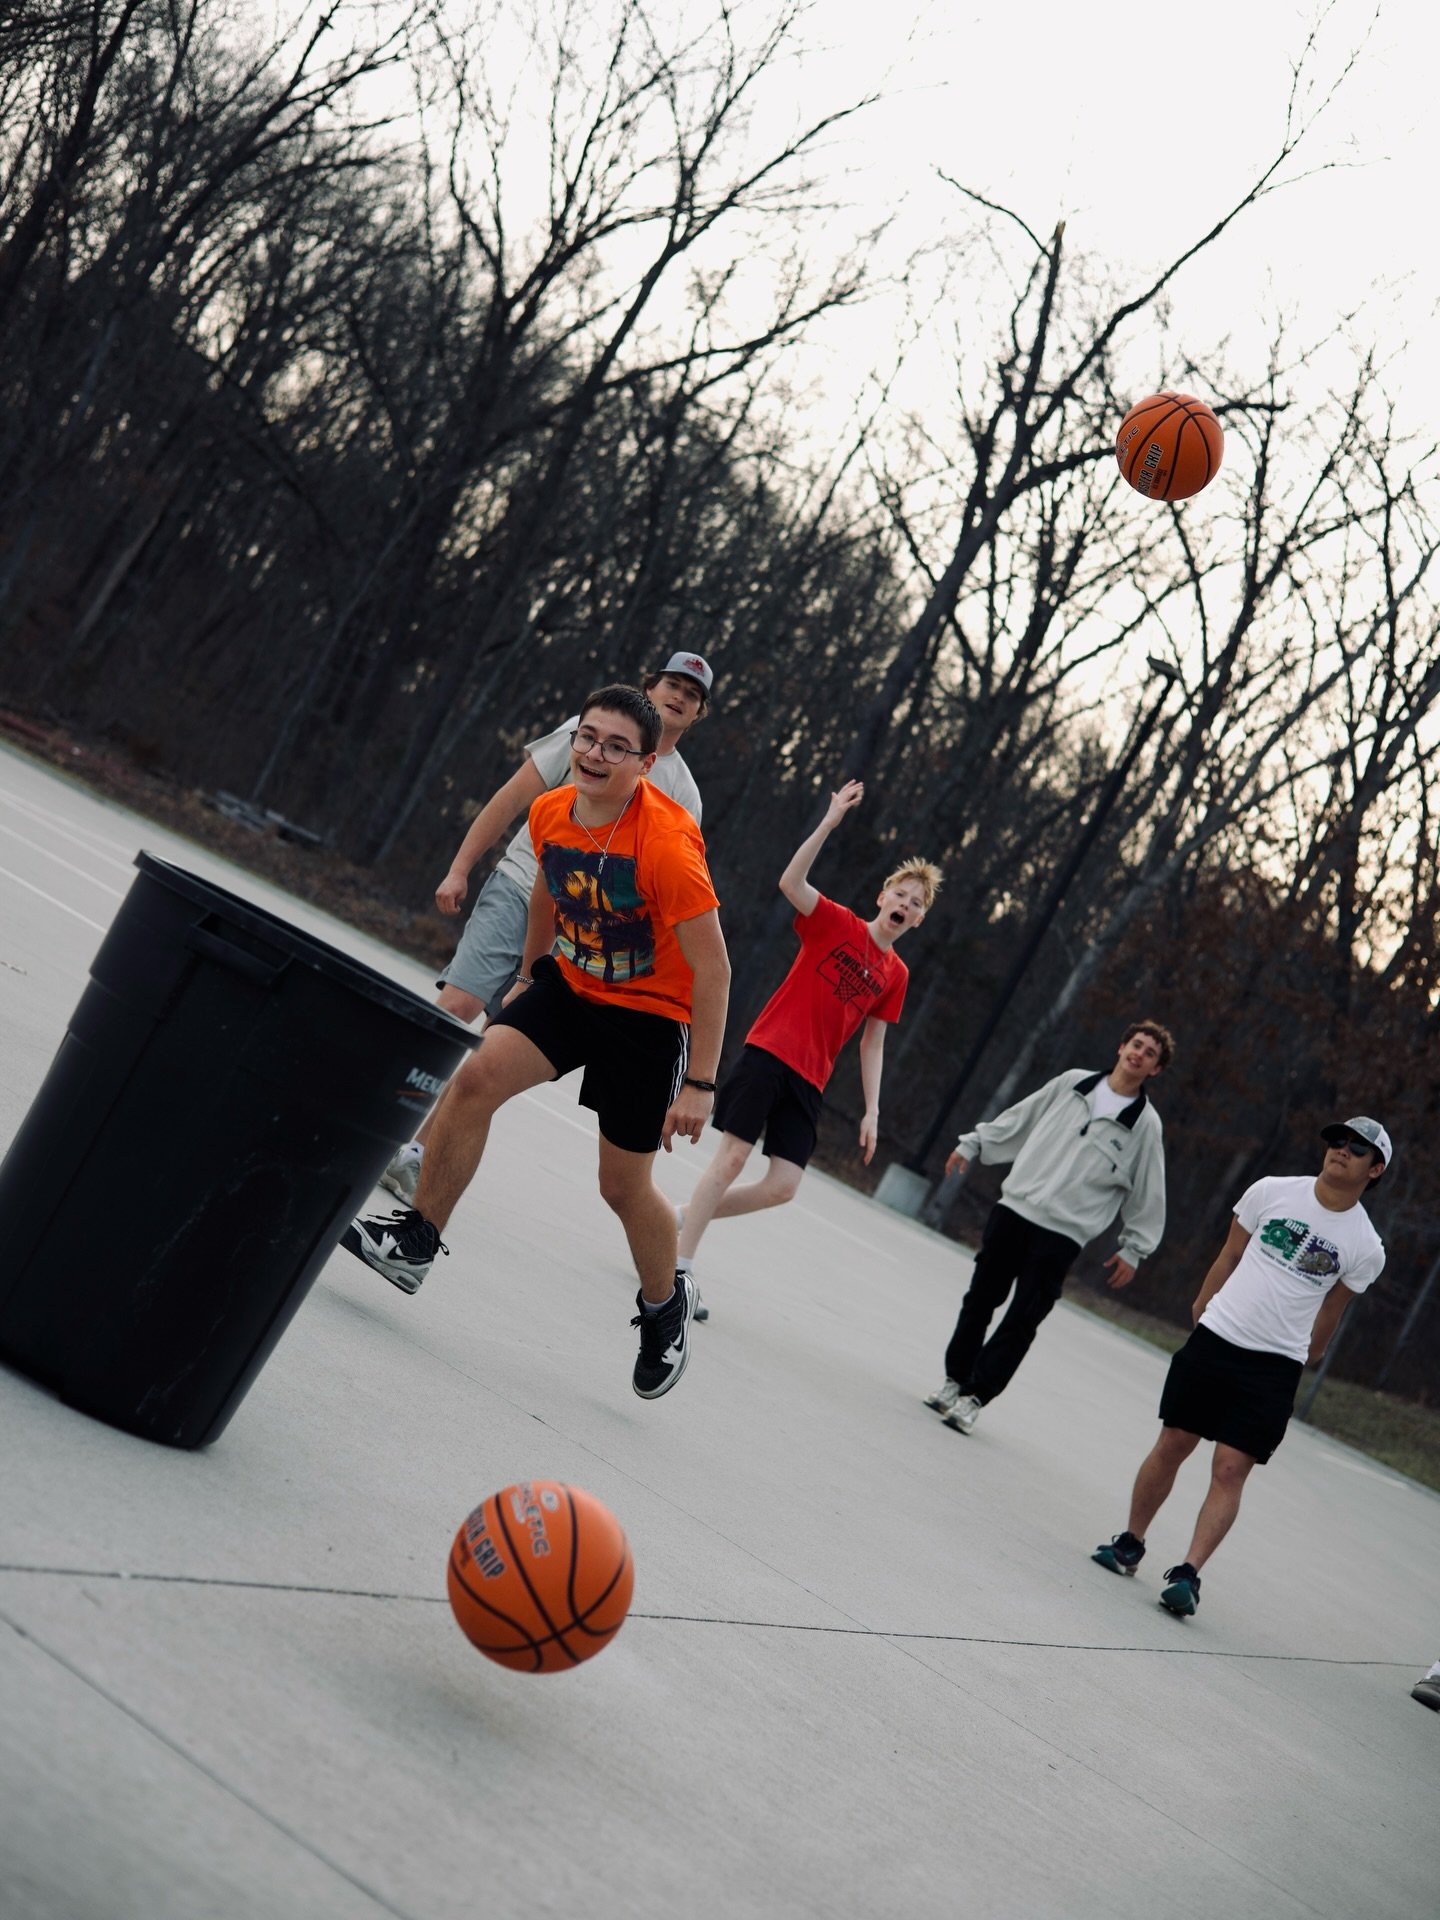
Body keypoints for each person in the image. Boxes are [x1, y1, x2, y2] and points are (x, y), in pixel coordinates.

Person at [343, 684, 730, 1402]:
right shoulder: (553, 810)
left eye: (616, 747)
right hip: (574, 985)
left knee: (622, 1187)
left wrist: (701, 1083)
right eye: (587, 738)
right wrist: (528, 976)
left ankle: (662, 1304)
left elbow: (715, 968)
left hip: (650, 1015)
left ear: (646, 764)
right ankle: (418, 1241)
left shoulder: (669, 845)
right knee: (477, 1075)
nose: (595, 754)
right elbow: (548, 892)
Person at [380, 653, 713, 1203]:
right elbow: (513, 797)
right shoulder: (586, 735)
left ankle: (415, 1151)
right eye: (671, 684)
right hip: (521, 886)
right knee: (458, 1007)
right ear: (649, 684)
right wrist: (460, 867)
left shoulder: (683, 793)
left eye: (692, 694)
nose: (678, 696)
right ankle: (380, 1124)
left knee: (499, 1040)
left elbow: (672, 892)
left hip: (585, 926)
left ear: (698, 714)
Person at [1092, 1116, 1388, 1618]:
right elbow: (1230, 1253)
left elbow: (1331, 1315)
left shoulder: (1365, 1246)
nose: (1341, 1150)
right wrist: (1205, 1307)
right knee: (1173, 1444)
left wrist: (1298, 1356)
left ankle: (1187, 1574)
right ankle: (1129, 1542)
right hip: (1218, 1339)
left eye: (1356, 1148)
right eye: (1337, 1140)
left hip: (1273, 1370)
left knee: (1230, 1470)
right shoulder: (1272, 1191)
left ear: (1374, 1169)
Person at [675, 780, 939, 1307]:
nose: (905, 906)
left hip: (810, 1079)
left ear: (919, 919)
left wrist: (872, 1111)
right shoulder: (836, 924)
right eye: (900, 896)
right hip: (769, 1053)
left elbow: (873, 1044)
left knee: (784, 1185)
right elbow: (791, 881)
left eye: (916, 904)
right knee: (729, 1161)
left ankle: (682, 1217)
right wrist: (830, 822)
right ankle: (678, 1267)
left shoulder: (896, 973)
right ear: (882, 898)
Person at [922, 1022, 1172, 1435]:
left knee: (1023, 1319)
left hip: (1062, 1235)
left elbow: (1149, 1190)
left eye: (1149, 1053)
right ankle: (954, 1382)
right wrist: (975, 1142)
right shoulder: (1073, 1083)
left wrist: (1134, 1248)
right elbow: (1022, 1117)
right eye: (1136, 1044)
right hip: (1015, 1210)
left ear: (1155, 1070)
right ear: (1121, 1045)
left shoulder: (1146, 1125)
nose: (1139, 1054)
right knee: (980, 1300)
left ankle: (975, 1398)